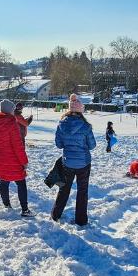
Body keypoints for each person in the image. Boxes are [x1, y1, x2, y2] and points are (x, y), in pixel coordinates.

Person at [50, 94, 96, 225]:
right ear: (80, 110)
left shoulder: (61, 125)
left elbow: (59, 144)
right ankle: (81, 220)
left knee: (64, 189)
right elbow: (92, 145)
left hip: (68, 162)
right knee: (82, 191)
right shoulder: (86, 126)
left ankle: (55, 214)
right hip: (83, 163)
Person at [0, 99, 31, 216]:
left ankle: (6, 205)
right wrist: (24, 162)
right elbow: (18, 146)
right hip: (12, 159)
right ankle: (25, 210)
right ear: (10, 110)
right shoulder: (11, 123)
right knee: (21, 183)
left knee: (4, 181)